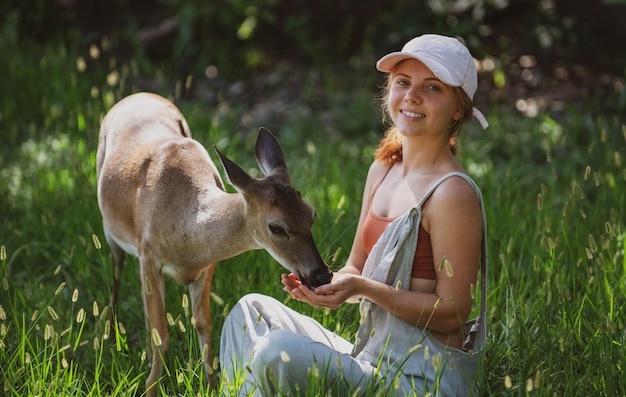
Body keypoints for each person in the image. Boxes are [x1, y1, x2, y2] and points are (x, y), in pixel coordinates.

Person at [219, 33, 489, 397]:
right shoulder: (383, 169)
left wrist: (363, 289)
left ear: (458, 109)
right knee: (248, 312)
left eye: (433, 88)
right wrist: (333, 289)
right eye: (403, 82)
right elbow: (355, 269)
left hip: (423, 381)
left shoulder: (451, 193)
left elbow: (452, 312)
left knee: (275, 353)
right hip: (372, 361)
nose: (412, 95)